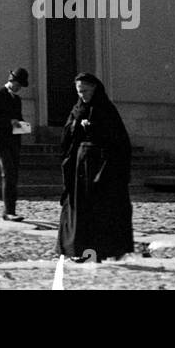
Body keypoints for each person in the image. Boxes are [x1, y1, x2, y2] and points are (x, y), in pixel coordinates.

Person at [57, 72, 134, 262]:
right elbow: (67, 135)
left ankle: (102, 250)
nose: (82, 95)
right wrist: (77, 124)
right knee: (80, 207)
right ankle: (80, 249)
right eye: (79, 91)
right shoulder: (77, 109)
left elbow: (117, 140)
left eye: (85, 90)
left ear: (94, 89)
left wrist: (93, 128)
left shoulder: (106, 109)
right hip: (80, 166)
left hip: (102, 166)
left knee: (101, 208)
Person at [0, 67, 30, 220]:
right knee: (8, 174)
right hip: (2, 142)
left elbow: (19, 118)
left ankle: (11, 209)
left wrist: (24, 126)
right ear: (11, 81)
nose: (19, 88)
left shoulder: (17, 99)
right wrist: (9, 122)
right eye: (17, 84)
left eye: (21, 86)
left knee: (14, 175)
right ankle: (8, 211)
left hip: (14, 142)